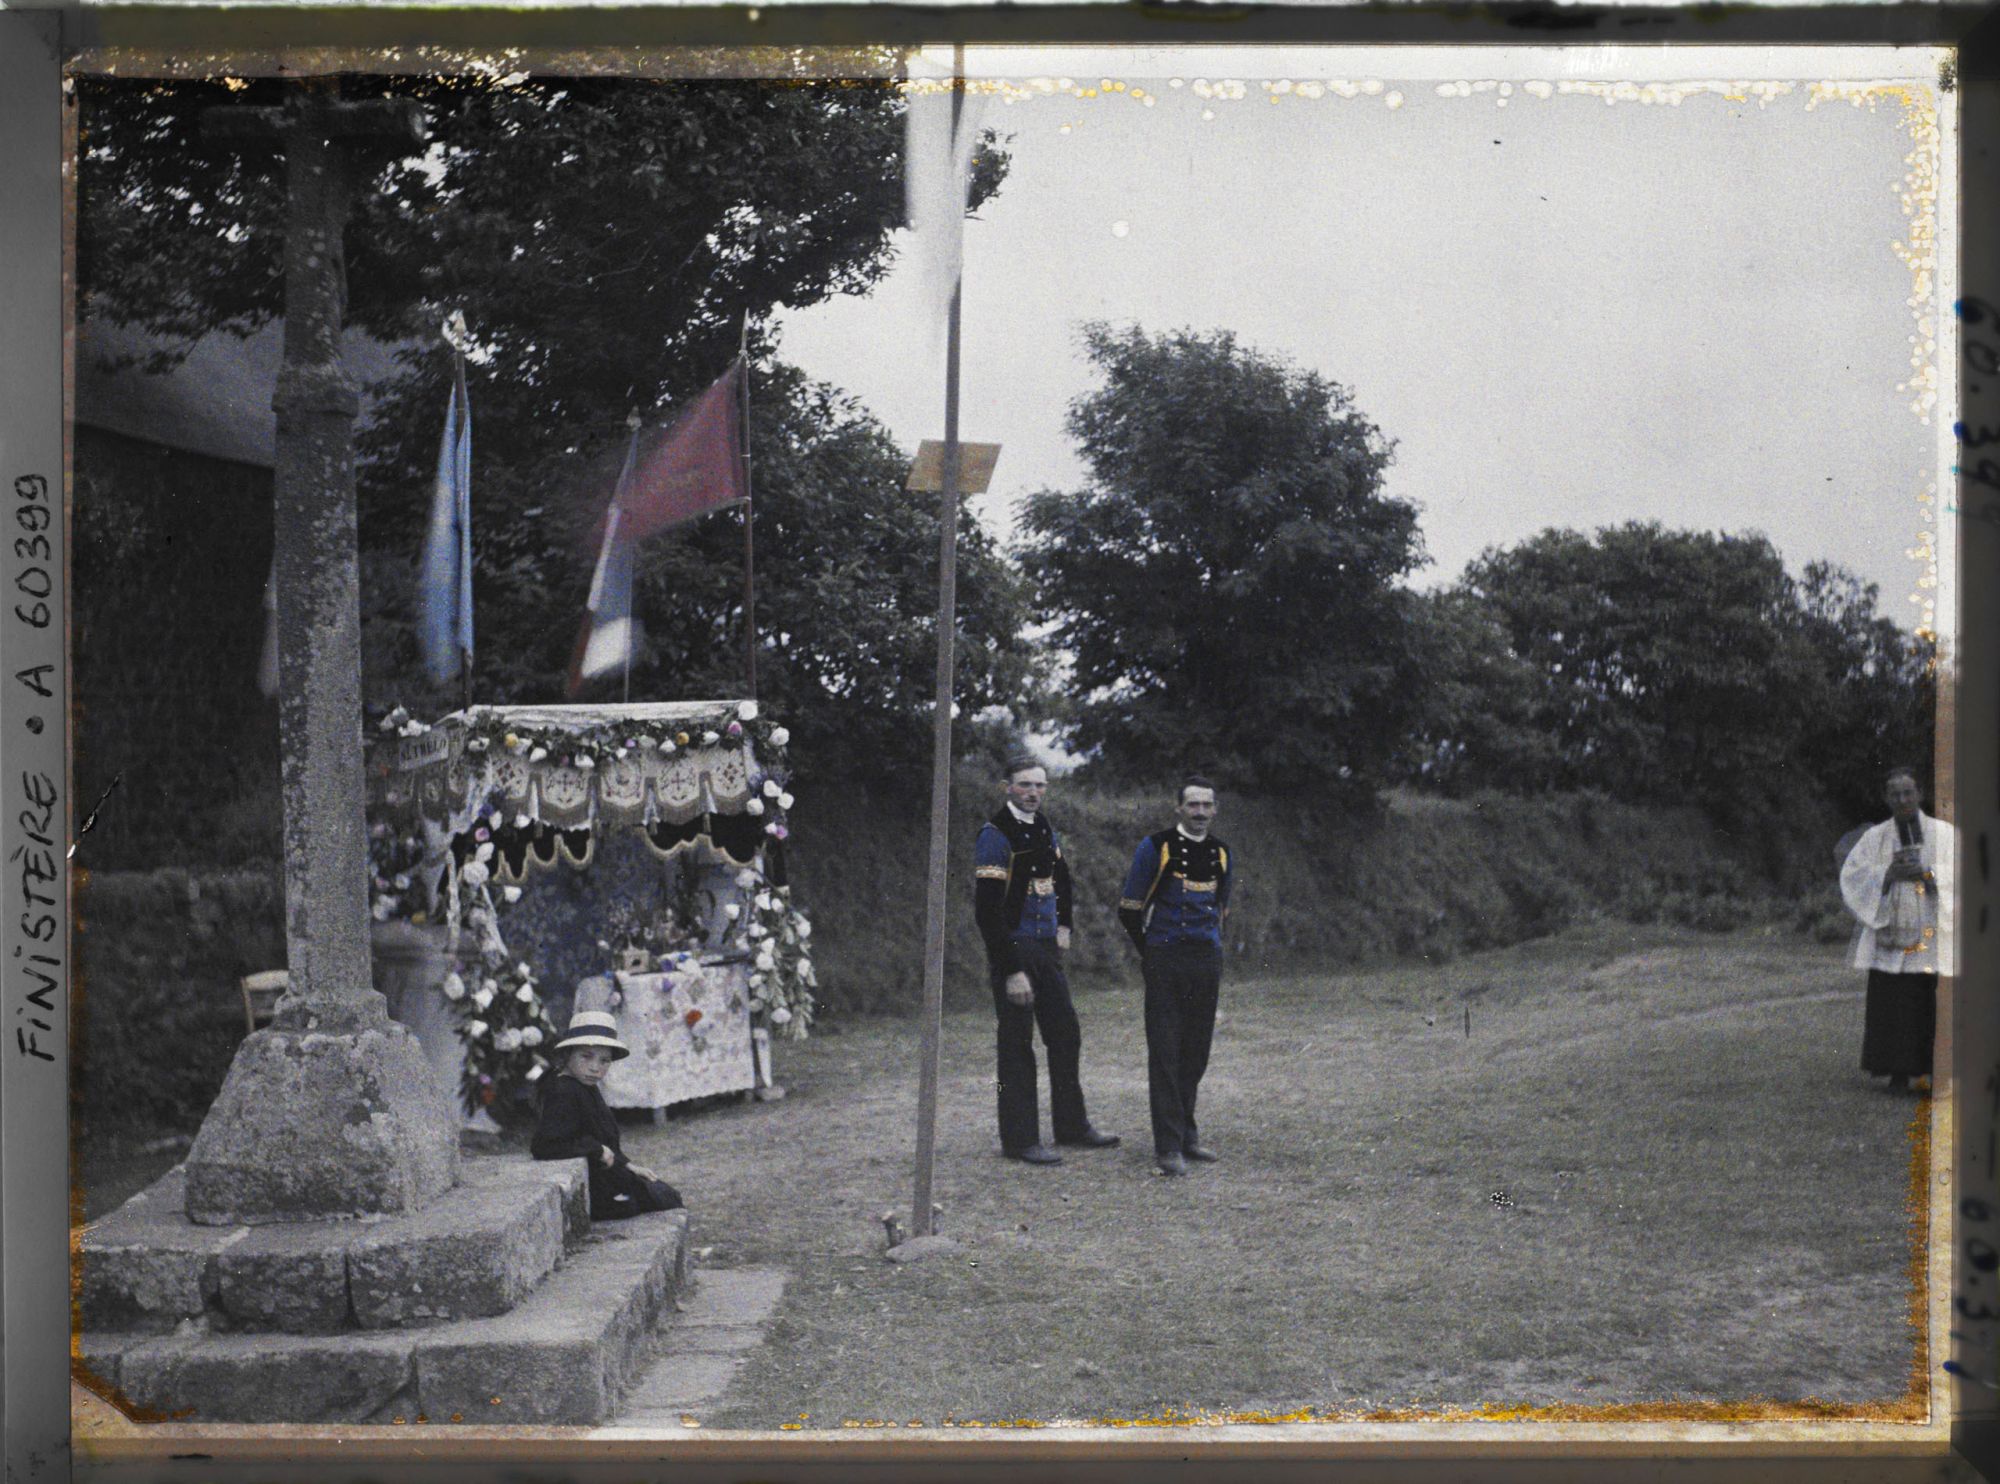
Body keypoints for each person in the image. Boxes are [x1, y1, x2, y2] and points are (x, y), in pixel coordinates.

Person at [973, 756, 1120, 1165]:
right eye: (1024, 784)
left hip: (1046, 949)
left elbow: (1062, 878)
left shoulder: (1043, 827)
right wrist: (1011, 970)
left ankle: (1071, 1126)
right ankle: (1020, 1140)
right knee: (1016, 1045)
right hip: (1014, 949)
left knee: (1065, 1034)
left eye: (1039, 785)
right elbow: (987, 911)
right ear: (1007, 787)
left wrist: (1065, 924)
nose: (1033, 792)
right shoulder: (995, 834)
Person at [1119, 776, 1234, 1177]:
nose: (1200, 812)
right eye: (1193, 805)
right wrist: (1152, 951)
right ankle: (1167, 1146)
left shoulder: (1221, 852)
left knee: (1196, 1051)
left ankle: (1187, 1135)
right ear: (1179, 809)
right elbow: (1129, 908)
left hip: (1205, 961)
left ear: (1214, 809)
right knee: (1166, 1051)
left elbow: (1221, 909)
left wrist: (1212, 952)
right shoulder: (1156, 847)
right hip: (1165, 960)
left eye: (1207, 805)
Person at [1839, 766, 1956, 1094]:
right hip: (1891, 931)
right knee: (1892, 1002)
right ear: (1886, 798)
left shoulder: (1944, 835)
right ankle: (1897, 1074)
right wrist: (1887, 874)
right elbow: (1853, 876)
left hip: (1931, 930)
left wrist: (1928, 873)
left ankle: (1935, 1074)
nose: (1902, 799)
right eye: (1895, 794)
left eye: (1908, 792)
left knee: (1929, 1001)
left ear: (1920, 794)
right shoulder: (1874, 838)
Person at [531, 1009, 684, 1217]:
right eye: (586, 1057)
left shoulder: (585, 1085)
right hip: (593, 1182)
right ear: (568, 1055)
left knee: (665, 1194)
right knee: (655, 1199)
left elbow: (602, 1134)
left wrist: (627, 1165)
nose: (595, 1068)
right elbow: (545, 1145)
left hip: (606, 1171)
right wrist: (596, 1150)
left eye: (604, 1061)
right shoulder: (563, 1090)